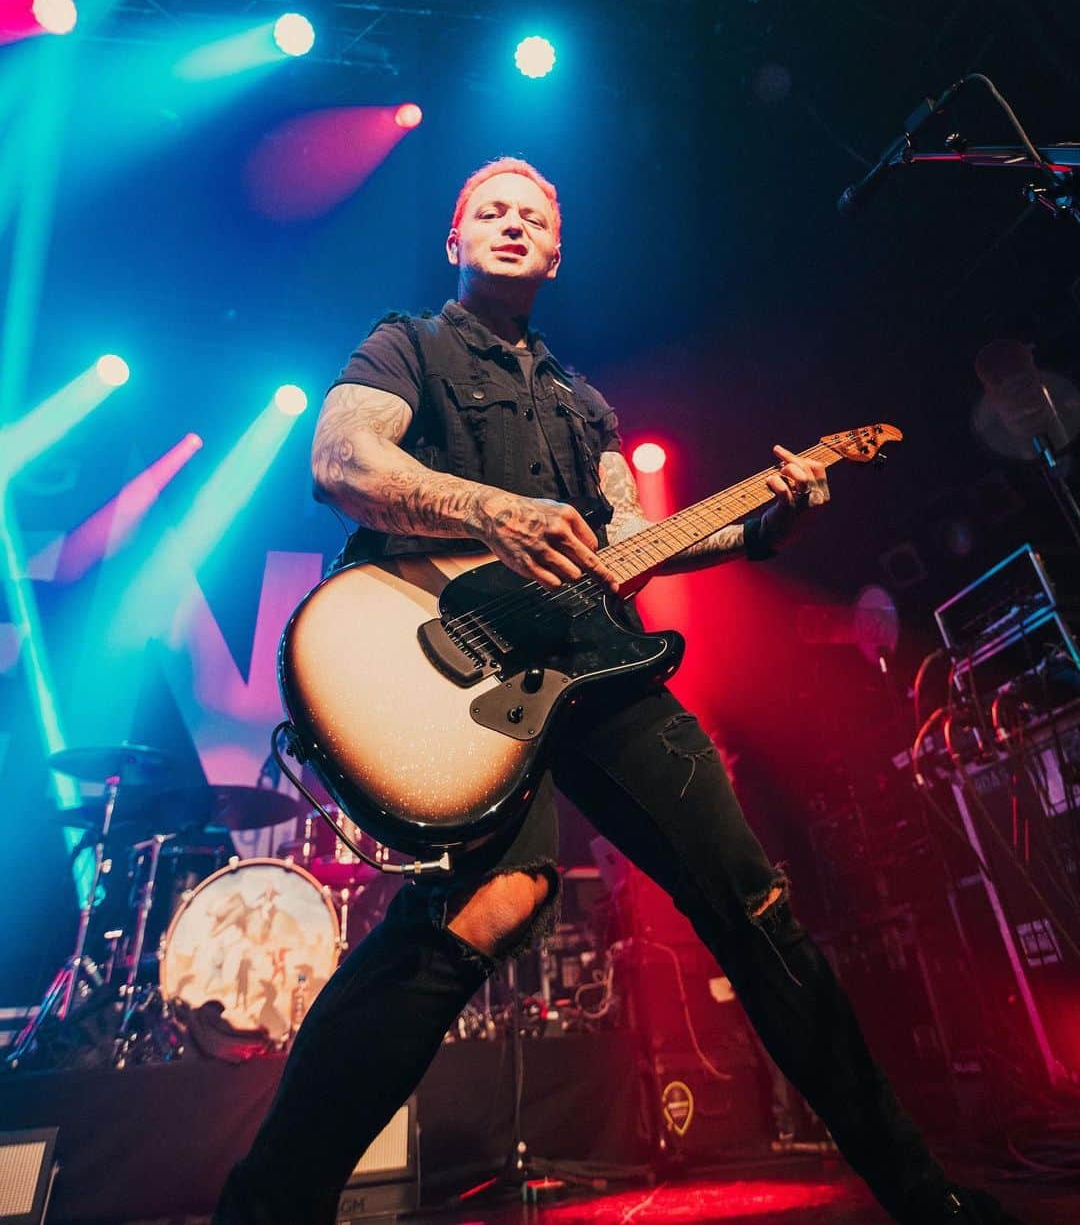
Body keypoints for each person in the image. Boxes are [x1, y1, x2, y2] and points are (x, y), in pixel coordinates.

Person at [215, 158, 1018, 1224]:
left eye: (534, 215)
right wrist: (490, 512)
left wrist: (765, 523)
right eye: (489, 211)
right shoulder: (406, 343)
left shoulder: (582, 402)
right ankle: (267, 1209)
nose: (512, 223)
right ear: (455, 240)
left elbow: (634, 541)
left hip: (595, 667)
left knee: (757, 909)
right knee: (480, 911)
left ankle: (923, 1199)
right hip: (458, 667)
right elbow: (342, 459)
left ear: (557, 250)